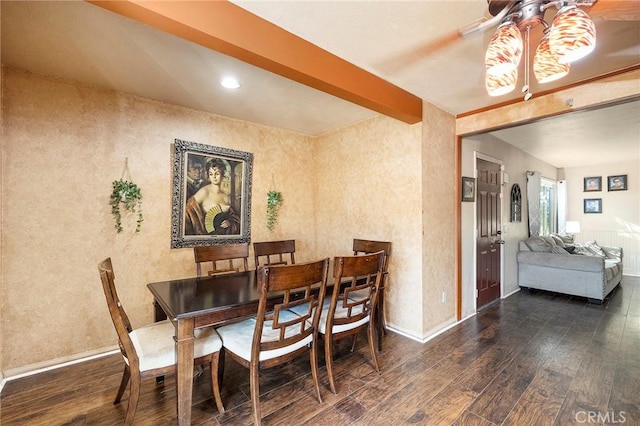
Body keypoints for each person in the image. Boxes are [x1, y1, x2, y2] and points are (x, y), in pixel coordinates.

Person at [184, 157, 240, 235]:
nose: (214, 177)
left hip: (223, 238)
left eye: (217, 173)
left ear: (223, 174)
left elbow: (234, 218)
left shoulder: (226, 196)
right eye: (211, 174)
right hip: (205, 235)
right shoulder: (204, 192)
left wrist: (229, 222)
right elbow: (189, 210)